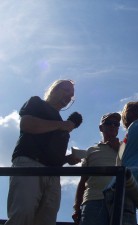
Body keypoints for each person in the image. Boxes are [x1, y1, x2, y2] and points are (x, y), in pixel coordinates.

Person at [5, 79, 82, 225]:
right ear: (54, 89)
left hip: (53, 174)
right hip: (29, 164)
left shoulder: (63, 124)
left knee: (46, 220)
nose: (69, 96)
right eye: (66, 90)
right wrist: (61, 125)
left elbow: (51, 153)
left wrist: (68, 159)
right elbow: (27, 124)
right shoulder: (36, 103)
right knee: (22, 215)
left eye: (71, 95)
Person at [72, 112, 121, 225]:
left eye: (116, 124)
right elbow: (83, 181)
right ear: (101, 128)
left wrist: (118, 148)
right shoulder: (91, 151)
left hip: (120, 201)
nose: (113, 126)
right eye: (108, 123)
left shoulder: (126, 148)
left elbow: (133, 173)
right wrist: (77, 208)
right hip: (93, 200)